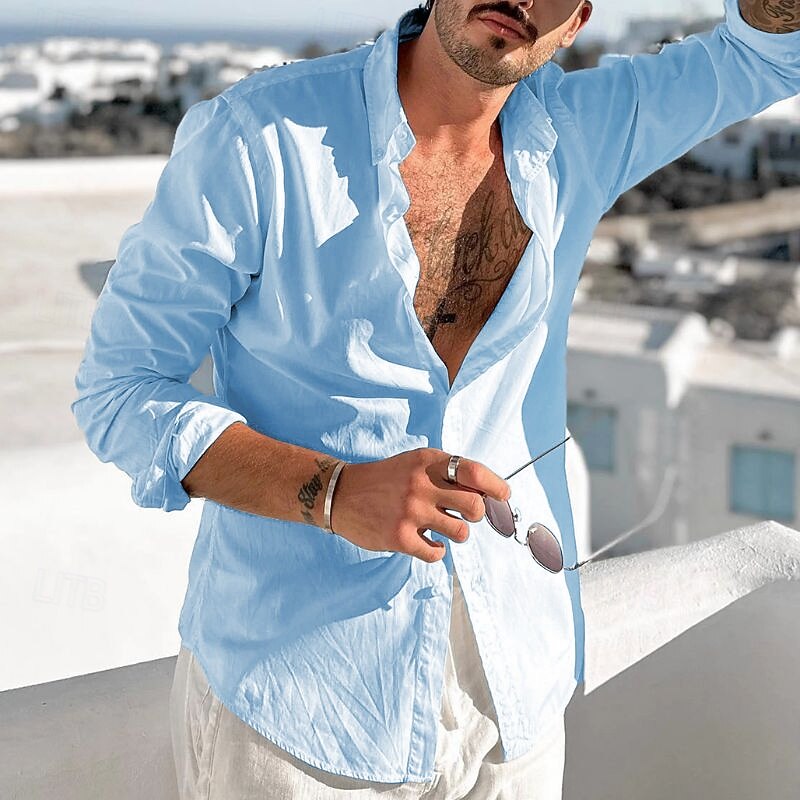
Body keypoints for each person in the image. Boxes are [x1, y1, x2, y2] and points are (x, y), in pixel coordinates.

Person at [71, 0, 800, 797]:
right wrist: (333, 492)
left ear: (578, 21)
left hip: (513, 688)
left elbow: (764, 53)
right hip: (303, 708)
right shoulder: (260, 137)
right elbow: (120, 389)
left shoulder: (584, 130)